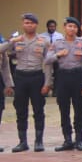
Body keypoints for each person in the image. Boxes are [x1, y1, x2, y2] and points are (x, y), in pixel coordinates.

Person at [1, 12, 53, 152]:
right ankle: (22, 141)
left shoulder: (44, 41)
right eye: (26, 23)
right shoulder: (17, 40)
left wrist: (47, 83)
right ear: (23, 25)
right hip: (20, 77)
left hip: (36, 76)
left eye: (31, 23)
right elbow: (1, 49)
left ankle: (38, 141)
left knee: (38, 110)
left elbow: (48, 64)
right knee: (20, 110)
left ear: (36, 25)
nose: (28, 25)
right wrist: (12, 40)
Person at [50, 18, 82, 151]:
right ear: (64, 27)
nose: (72, 29)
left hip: (78, 76)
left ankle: (79, 139)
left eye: (74, 26)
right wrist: (58, 55)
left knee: (79, 109)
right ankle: (67, 139)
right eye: (69, 26)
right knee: (64, 109)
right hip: (62, 77)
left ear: (78, 29)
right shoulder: (57, 43)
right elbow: (47, 60)